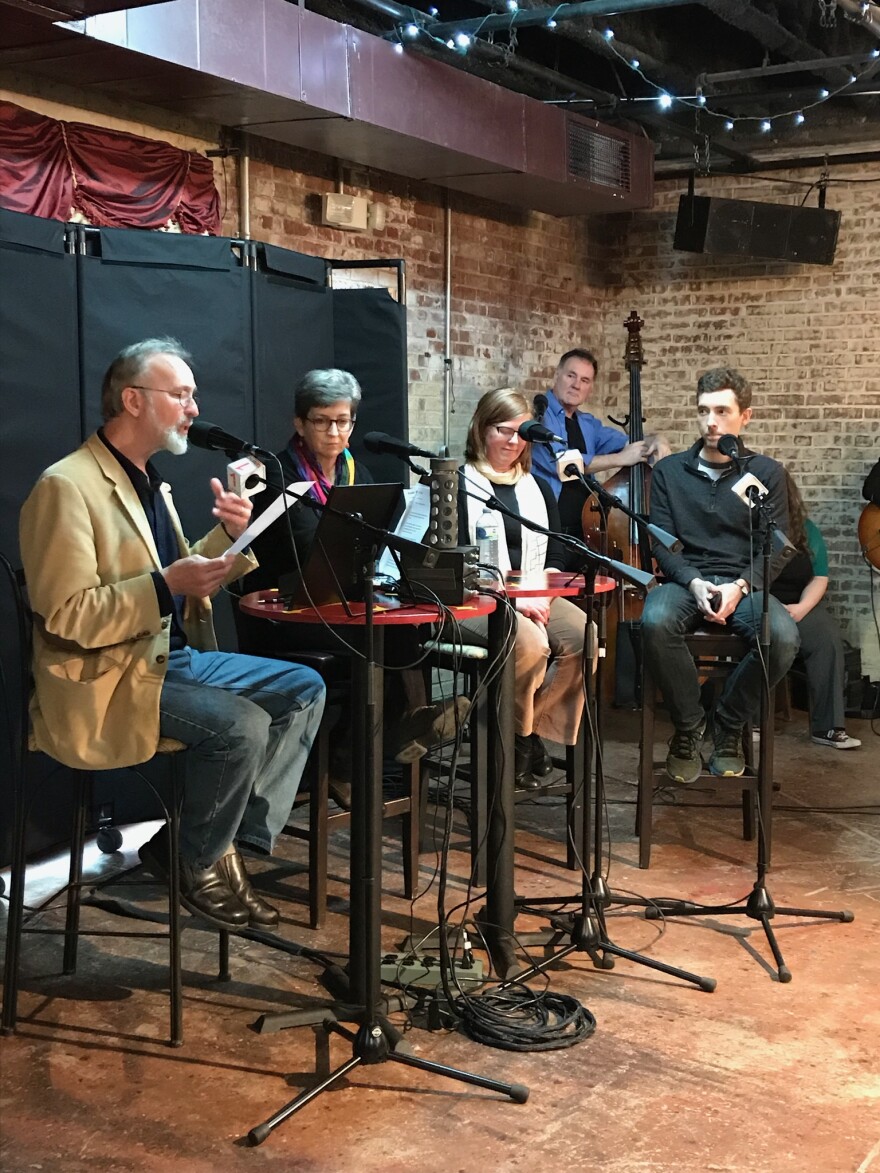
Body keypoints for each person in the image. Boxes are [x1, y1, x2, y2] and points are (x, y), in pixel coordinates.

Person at [19, 338, 326, 932]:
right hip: (108, 675)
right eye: (180, 394)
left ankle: (204, 845)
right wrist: (167, 585)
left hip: (170, 660)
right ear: (133, 400)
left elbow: (190, 584)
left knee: (303, 687)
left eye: (192, 394)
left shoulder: (150, 483)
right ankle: (201, 857)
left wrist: (233, 537)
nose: (193, 407)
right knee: (243, 725)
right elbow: (67, 614)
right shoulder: (67, 486)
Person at [243, 368, 463, 806]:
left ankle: (388, 738)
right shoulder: (277, 473)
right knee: (382, 633)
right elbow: (309, 545)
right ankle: (367, 749)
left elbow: (370, 544)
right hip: (290, 610)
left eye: (343, 421)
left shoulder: (357, 471)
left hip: (347, 599)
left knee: (404, 626)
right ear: (299, 424)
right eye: (322, 421)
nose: (333, 431)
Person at [641, 367, 800, 784]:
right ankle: (689, 725)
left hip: (743, 584)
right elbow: (659, 541)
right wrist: (693, 581)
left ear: (745, 417)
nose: (712, 421)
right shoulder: (670, 472)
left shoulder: (766, 473)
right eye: (704, 410)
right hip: (684, 580)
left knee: (783, 637)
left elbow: (778, 546)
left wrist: (740, 586)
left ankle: (727, 725)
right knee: (655, 621)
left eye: (723, 411)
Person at [458, 387, 589, 788]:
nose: (513, 441)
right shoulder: (458, 483)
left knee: (586, 634)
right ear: (482, 429)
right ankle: (520, 738)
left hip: (534, 592)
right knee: (531, 643)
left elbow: (561, 549)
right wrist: (513, 599)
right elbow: (458, 563)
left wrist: (541, 592)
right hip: (478, 598)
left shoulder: (537, 487)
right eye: (502, 430)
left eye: (521, 433)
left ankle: (533, 732)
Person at [529, 348, 668, 538]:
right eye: (571, 375)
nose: (576, 385)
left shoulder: (588, 424)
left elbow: (631, 444)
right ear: (557, 375)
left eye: (584, 380)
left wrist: (657, 440)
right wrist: (619, 459)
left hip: (586, 530)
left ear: (590, 388)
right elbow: (561, 465)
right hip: (548, 531)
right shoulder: (538, 415)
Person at [772, 469, 860, 750]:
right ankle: (752, 722)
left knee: (827, 640)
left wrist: (800, 609)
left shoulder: (807, 530)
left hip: (800, 603)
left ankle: (828, 727)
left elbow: (819, 576)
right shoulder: (746, 529)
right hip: (762, 603)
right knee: (765, 636)